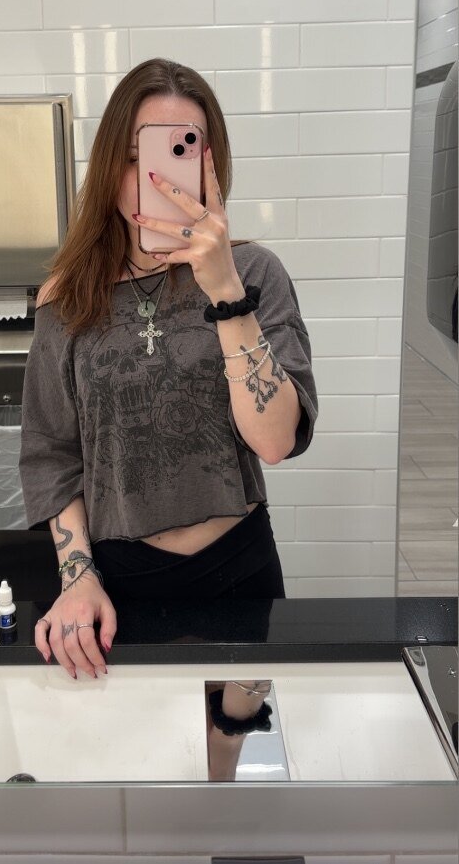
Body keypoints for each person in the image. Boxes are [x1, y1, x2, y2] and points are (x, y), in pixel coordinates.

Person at [18, 57, 318, 679]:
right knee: (134, 740)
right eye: (135, 157)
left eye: (179, 154)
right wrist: (76, 576)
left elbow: (275, 441)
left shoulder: (253, 274)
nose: (155, 178)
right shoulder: (66, 301)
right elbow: (51, 453)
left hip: (240, 569)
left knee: (233, 738)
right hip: (116, 585)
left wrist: (227, 293)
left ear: (211, 166)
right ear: (109, 166)